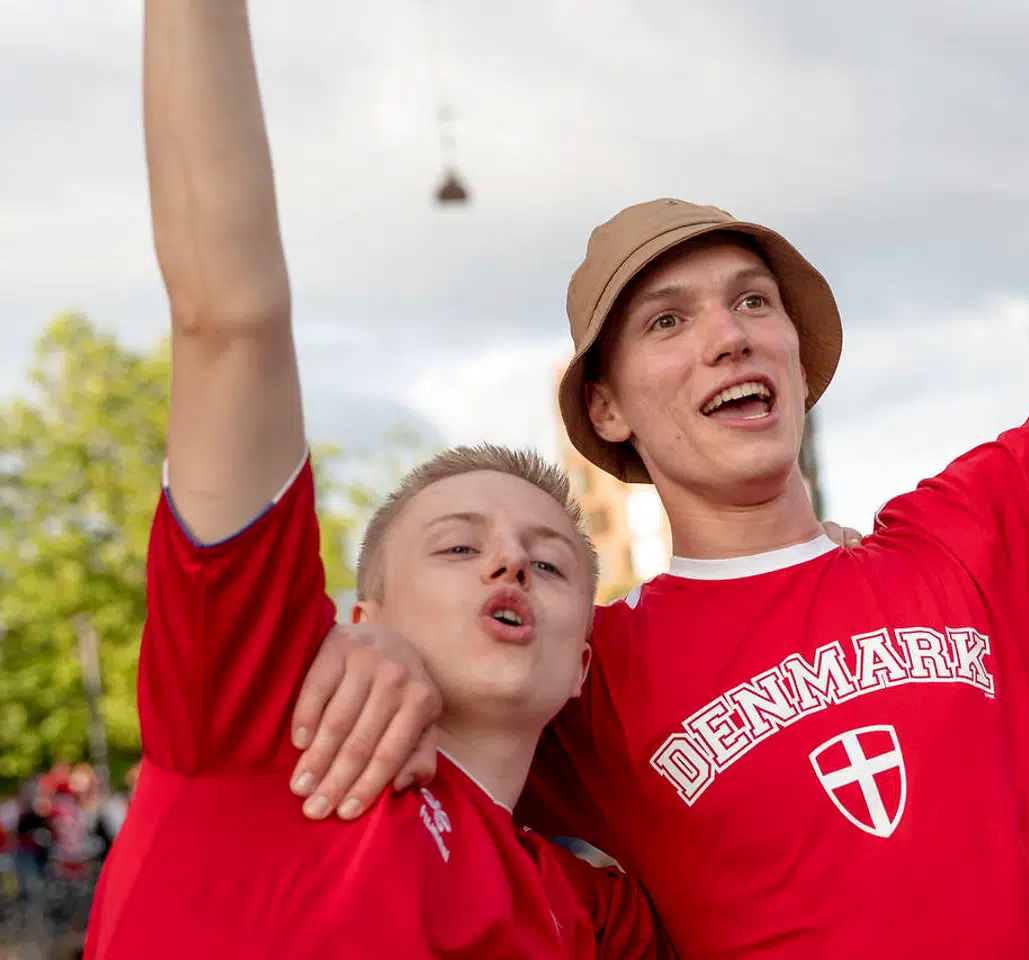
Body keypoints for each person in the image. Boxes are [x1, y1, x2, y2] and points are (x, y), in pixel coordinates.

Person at [288, 3, 1029, 956]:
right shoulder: (592, 672)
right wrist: (383, 651)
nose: (730, 337)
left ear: (795, 353)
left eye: (753, 301)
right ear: (609, 406)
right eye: (669, 322)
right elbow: (378, 748)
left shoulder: (976, 542)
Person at [85, 3, 666, 957]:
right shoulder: (269, 722)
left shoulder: (595, 917)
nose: (510, 566)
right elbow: (229, 321)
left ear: (582, 670)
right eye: (458, 545)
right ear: (361, 619)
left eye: (553, 565)